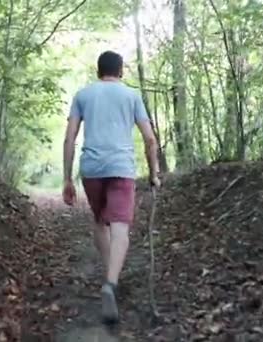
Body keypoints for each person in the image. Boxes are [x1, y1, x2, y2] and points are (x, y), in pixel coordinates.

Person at [61, 50, 161, 324]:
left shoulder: (83, 95)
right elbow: (150, 140)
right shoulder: (132, 96)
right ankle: (111, 283)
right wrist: (154, 173)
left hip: (92, 169)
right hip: (121, 168)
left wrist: (67, 178)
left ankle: (110, 274)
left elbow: (69, 138)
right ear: (121, 71)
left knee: (100, 222)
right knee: (120, 228)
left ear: (98, 70)